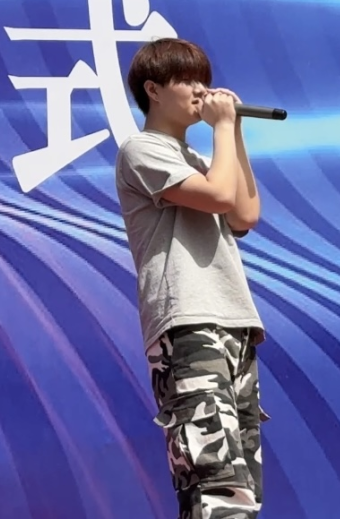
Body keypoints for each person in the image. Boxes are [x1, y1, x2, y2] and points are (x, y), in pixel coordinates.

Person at [114, 38, 268, 518]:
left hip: (233, 321)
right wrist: (221, 127)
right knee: (215, 480)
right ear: (153, 90)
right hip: (188, 323)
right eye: (187, 80)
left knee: (242, 482)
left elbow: (244, 214)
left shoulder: (200, 159)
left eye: (204, 79)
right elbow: (220, 196)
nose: (201, 90)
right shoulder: (142, 149)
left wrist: (233, 131)